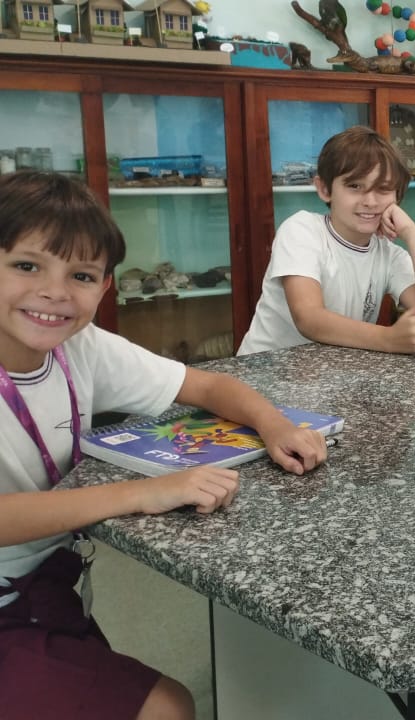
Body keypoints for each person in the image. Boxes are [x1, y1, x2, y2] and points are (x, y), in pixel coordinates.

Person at [0, 170, 330, 719]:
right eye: (26, 266)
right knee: (167, 707)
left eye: (81, 275)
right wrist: (143, 492)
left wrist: (275, 425)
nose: (55, 292)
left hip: (44, 587)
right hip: (13, 604)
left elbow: (206, 386)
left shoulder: (80, 346)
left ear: (105, 287)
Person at [237, 125, 415, 356]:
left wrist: (412, 233)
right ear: (324, 189)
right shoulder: (301, 230)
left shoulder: (388, 254)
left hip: (327, 371)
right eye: (355, 186)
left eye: (383, 188)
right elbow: (309, 318)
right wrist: (388, 338)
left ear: (397, 195)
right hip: (265, 369)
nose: (370, 201)